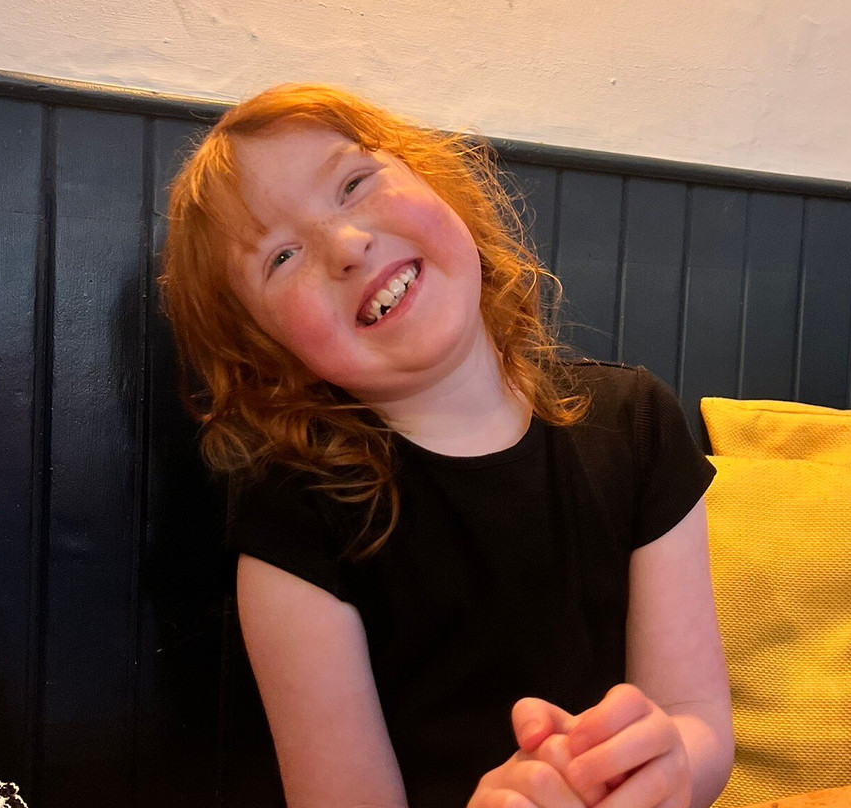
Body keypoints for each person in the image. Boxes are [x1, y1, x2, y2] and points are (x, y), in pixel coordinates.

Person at [161, 83, 733, 808]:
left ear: (438, 183)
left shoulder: (637, 422)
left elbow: (696, 716)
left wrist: (671, 765)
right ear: (269, 353)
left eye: (354, 183)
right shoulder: (293, 524)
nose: (346, 246)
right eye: (280, 257)